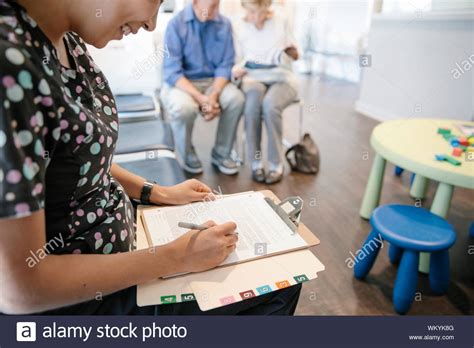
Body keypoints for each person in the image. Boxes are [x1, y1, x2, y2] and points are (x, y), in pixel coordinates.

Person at [0, 0, 301, 315]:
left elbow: (80, 160)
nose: (151, 24)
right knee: (282, 280)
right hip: (83, 300)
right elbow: (20, 289)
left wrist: (156, 192)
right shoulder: (11, 63)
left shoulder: (67, 40)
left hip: (121, 233)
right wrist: (174, 257)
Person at [160, 0, 244, 175]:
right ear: (196, 2)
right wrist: (202, 99)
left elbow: (225, 65)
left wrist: (212, 96)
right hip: (183, 84)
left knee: (236, 99)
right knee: (184, 108)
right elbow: (172, 71)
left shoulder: (224, 24)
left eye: (218, 5)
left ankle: (221, 154)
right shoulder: (176, 24)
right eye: (212, 6)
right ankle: (187, 154)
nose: (216, 12)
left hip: (214, 82)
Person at [232, 0, 299, 184]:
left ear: (267, 8)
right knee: (252, 106)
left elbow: (295, 54)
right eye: (251, 12)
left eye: (260, 13)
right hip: (253, 77)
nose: (255, 18)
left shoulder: (281, 18)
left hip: (282, 77)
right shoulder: (238, 24)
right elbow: (237, 59)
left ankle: (276, 165)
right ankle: (255, 163)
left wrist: (291, 52)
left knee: (270, 106)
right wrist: (237, 69)